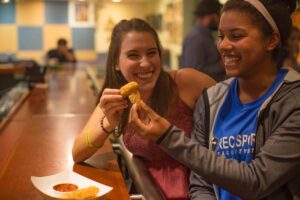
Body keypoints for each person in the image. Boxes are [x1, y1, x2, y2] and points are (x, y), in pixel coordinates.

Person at [129, 0, 300, 199]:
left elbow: (257, 180)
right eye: (221, 36)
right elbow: (201, 183)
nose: (223, 46)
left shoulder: (292, 101)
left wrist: (168, 137)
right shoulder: (211, 100)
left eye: (236, 36)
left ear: (271, 40)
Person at [72, 18, 216, 199]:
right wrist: (108, 122)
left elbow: (236, 114)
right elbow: (77, 153)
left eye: (151, 53)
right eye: (133, 55)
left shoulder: (185, 82)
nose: (146, 63)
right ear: (116, 62)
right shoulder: (116, 99)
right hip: (148, 190)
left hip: (200, 190)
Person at [179, 0, 226, 82]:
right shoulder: (196, 38)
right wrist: (220, 65)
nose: (220, 22)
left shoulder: (205, 36)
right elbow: (193, 72)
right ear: (212, 16)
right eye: (219, 17)